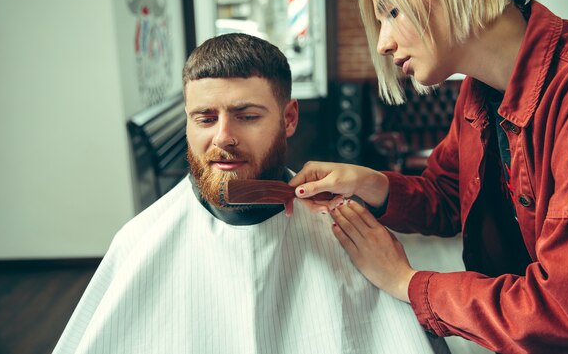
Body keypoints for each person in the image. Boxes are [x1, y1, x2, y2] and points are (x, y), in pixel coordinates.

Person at [289, 0, 568, 353]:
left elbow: (562, 313)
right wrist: (368, 182)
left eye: (392, 11)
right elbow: (447, 199)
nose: (382, 43)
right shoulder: (478, 91)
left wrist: (405, 281)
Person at [52, 33, 448, 354]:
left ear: (289, 118)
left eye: (247, 116)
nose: (223, 137)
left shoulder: (347, 233)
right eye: (205, 118)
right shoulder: (139, 242)